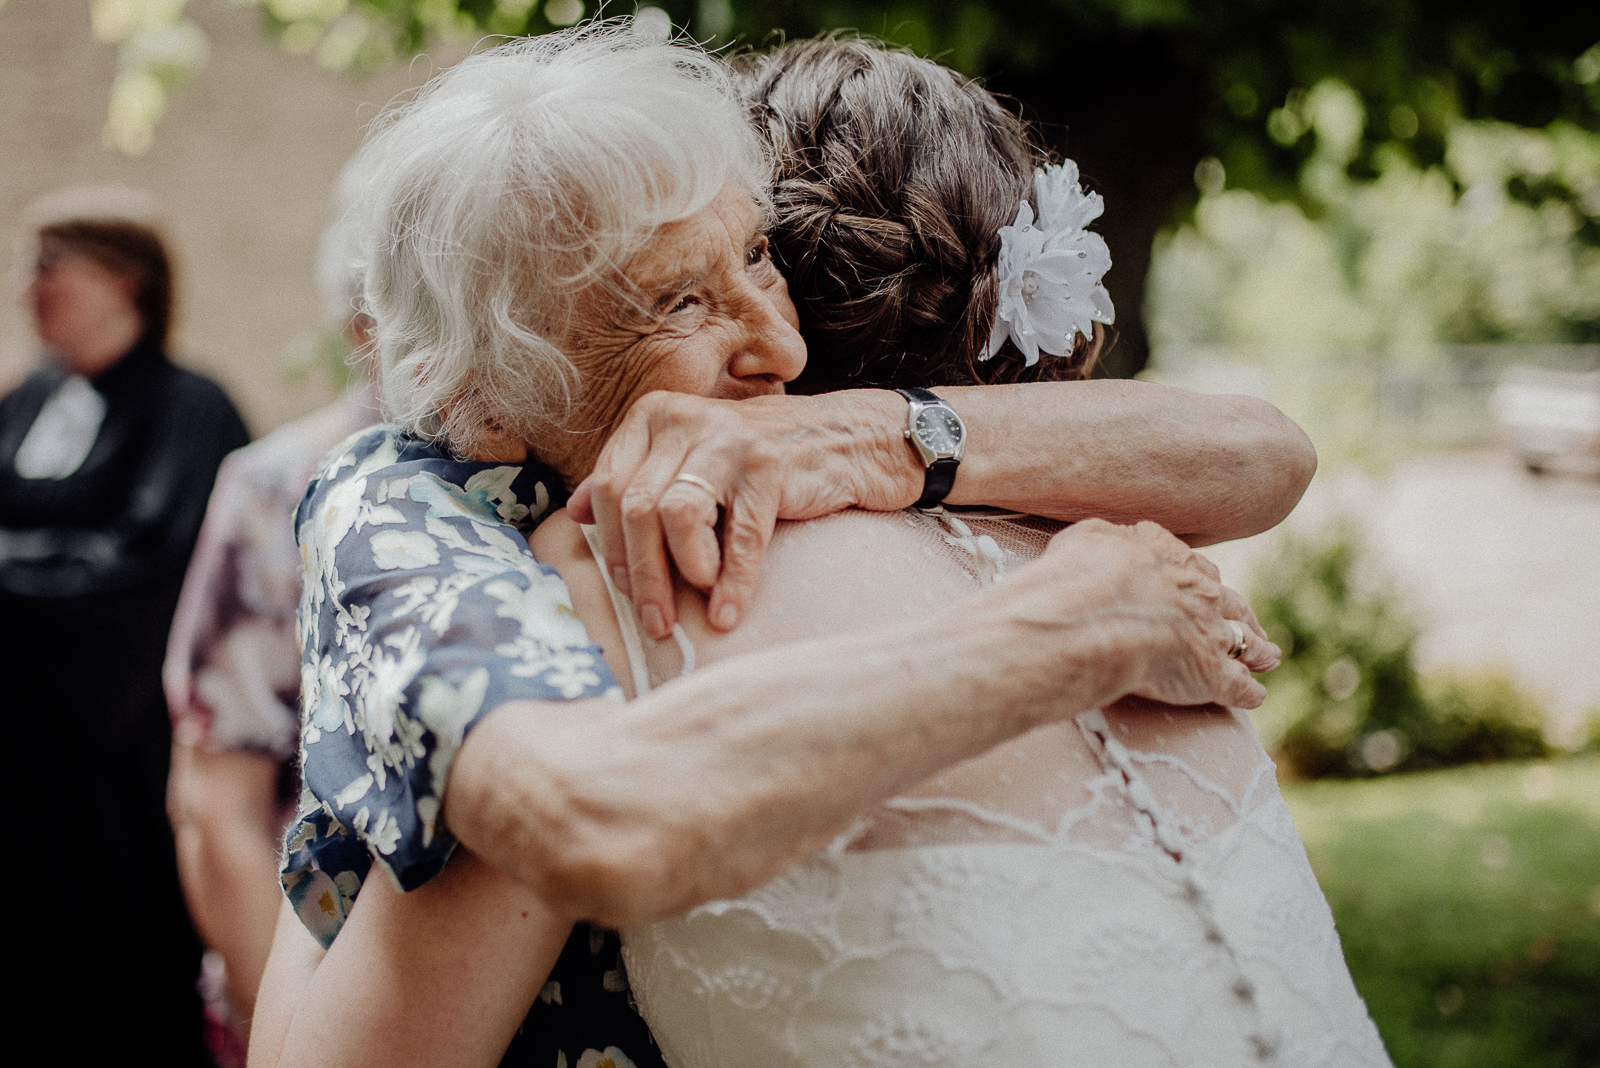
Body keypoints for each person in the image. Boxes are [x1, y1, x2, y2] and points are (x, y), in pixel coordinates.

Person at [252, 25, 1318, 1068]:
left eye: (760, 254)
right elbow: (587, 821)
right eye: (675, 302)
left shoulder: (789, 461)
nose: (786, 344)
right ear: (479, 402)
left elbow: (1264, 452)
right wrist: (1074, 627)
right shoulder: (408, 508)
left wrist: (869, 432)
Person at [0, 188, 249, 1064]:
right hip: (21, 741)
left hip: (119, 737)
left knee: (125, 943)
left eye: (49, 264)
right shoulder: (27, 401)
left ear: (123, 281)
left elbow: (150, 568)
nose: (28, 285)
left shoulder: (189, 407)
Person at [163, 161, 382, 1063]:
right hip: (307, 983)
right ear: (356, 324)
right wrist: (290, 1039)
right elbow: (216, 807)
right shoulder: (272, 489)